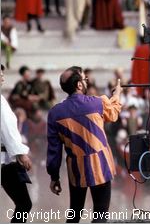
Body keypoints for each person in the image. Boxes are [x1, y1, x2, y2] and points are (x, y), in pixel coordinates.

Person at [46, 66, 122, 223]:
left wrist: (54, 176)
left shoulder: (54, 113)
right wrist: (117, 94)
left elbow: (54, 150)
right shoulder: (98, 103)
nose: (87, 82)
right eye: (85, 80)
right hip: (101, 166)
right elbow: (113, 114)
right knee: (100, 216)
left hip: (76, 169)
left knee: (74, 214)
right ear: (79, 85)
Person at [1, 64, 33, 223]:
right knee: (24, 204)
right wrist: (21, 153)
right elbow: (6, 128)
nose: (2, 77)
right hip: (5, 161)